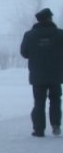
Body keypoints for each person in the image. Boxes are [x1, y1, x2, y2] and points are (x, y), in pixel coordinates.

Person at [19, 8, 63, 137]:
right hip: (56, 74)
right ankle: (55, 125)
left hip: (37, 75)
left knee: (39, 101)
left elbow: (24, 53)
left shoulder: (29, 35)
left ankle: (39, 130)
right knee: (55, 99)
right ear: (50, 18)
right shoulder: (60, 34)